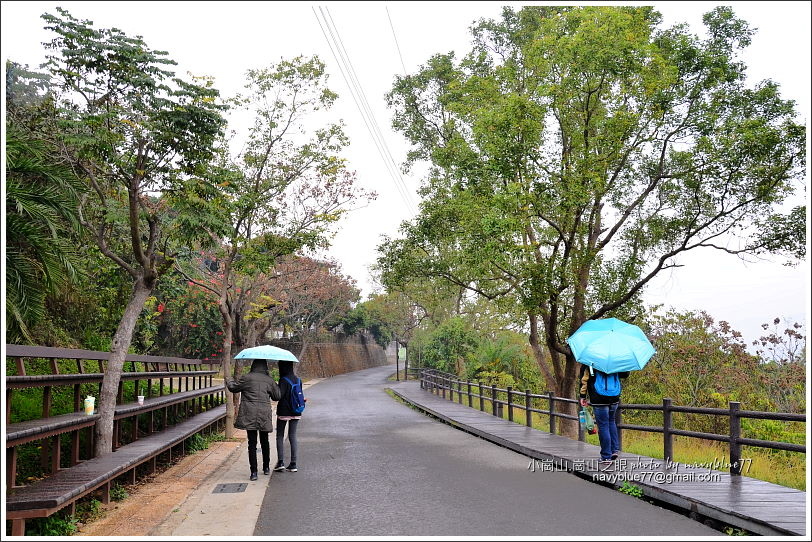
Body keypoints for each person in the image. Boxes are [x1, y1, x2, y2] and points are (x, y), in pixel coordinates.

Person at [225, 359, 281, 481]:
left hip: (249, 413)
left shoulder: (247, 378)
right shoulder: (269, 380)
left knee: (252, 443)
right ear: (265, 366)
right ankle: (266, 467)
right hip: (263, 414)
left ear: (253, 366)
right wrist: (274, 384)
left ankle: (253, 472)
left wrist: (229, 380)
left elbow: (233, 388)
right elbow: (277, 396)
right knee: (265, 441)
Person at [578, 364, 629, 467]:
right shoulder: (615, 359)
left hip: (599, 398)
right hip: (614, 396)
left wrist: (583, 396)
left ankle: (606, 456)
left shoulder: (590, 361)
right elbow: (625, 374)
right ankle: (614, 450)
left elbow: (584, 380)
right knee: (611, 421)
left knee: (603, 425)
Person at [274, 359, 304, 473]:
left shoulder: (283, 380)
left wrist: (276, 387)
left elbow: (279, 396)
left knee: (280, 436)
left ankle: (280, 462)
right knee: (292, 436)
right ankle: (293, 463)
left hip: (284, 411)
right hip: (296, 410)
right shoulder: (298, 379)